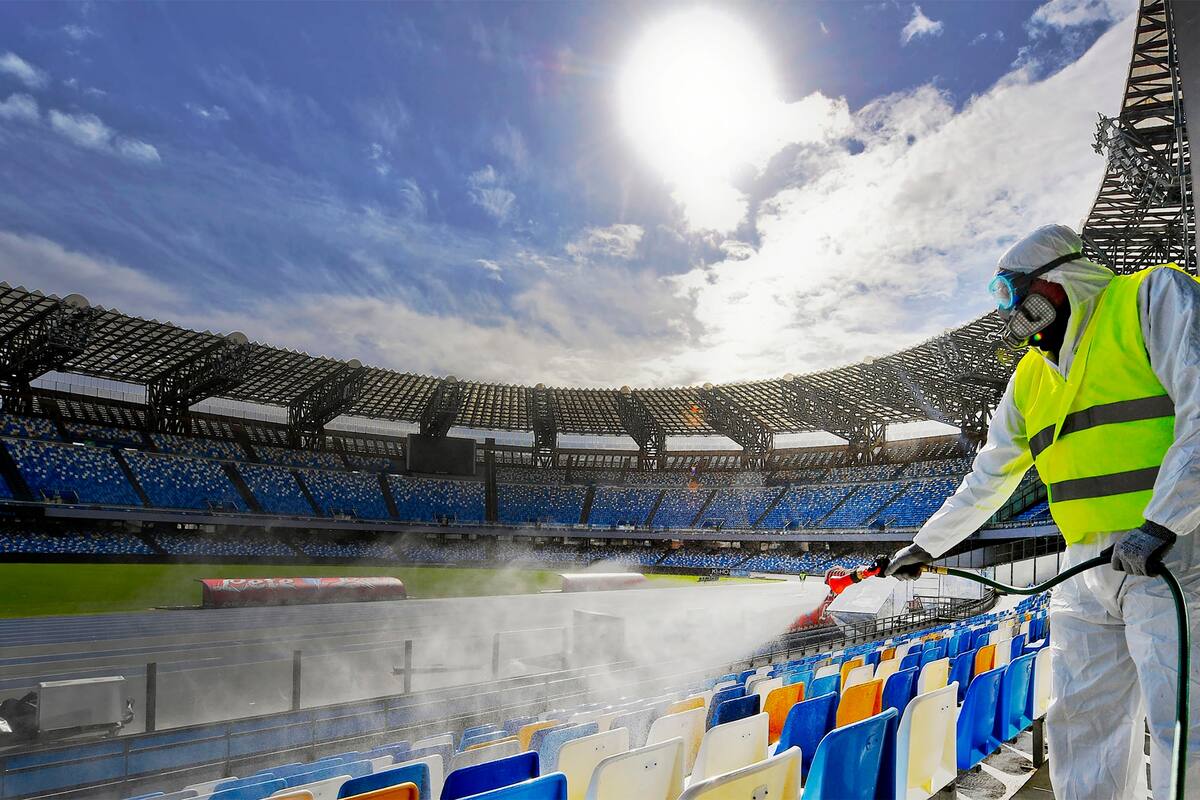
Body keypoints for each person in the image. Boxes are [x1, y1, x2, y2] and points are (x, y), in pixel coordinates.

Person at [884, 224, 1200, 799]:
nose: (1008, 315)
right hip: (1084, 566)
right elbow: (990, 474)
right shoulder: (1029, 376)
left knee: (1185, 720)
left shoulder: (1151, 297)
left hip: (1175, 554)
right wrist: (928, 545)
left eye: (1010, 294)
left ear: (1055, 282)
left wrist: (1164, 521)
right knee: (1081, 722)